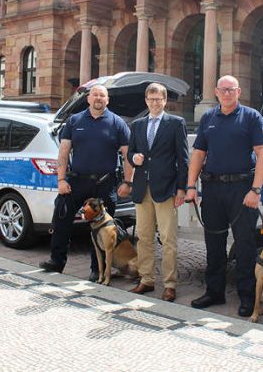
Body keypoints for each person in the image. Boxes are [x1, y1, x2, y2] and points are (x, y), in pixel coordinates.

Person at [185, 75, 263, 317]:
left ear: (239, 91)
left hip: (242, 190)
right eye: (223, 89)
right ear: (216, 92)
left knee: (244, 245)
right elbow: (199, 154)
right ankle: (214, 292)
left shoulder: (252, 117)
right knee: (213, 243)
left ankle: (247, 298)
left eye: (231, 89)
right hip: (212, 189)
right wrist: (191, 186)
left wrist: (256, 190)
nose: (227, 93)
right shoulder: (208, 118)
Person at [40, 85, 133, 281]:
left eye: (103, 95)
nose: (98, 98)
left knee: (102, 229)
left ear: (107, 100)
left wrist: (127, 182)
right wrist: (61, 179)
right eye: (95, 95)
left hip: (105, 184)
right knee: (61, 220)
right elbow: (63, 153)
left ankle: (95, 269)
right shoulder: (74, 121)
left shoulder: (118, 123)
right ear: (89, 99)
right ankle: (56, 262)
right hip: (76, 182)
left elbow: (127, 155)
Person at [127, 83, 189, 302]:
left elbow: (183, 159)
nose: (154, 103)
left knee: (168, 239)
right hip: (142, 189)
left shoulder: (175, 123)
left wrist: (181, 189)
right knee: (143, 237)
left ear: (165, 101)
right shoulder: (137, 125)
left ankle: (170, 284)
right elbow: (131, 152)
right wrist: (133, 158)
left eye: (158, 99)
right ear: (146, 101)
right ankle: (146, 280)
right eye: (151, 99)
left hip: (166, 189)